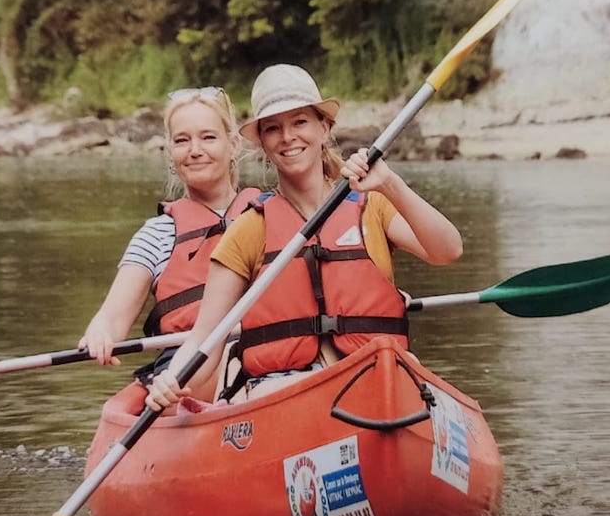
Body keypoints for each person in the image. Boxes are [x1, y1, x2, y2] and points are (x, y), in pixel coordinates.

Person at [144, 64, 462, 411]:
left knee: (404, 374)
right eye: (273, 128)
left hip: (375, 379)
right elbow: (204, 338)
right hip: (287, 393)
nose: (288, 137)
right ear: (263, 142)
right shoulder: (250, 229)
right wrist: (172, 379)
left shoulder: (373, 205)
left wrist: (391, 184)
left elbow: (447, 251)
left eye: (300, 122)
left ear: (324, 127)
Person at [79, 86, 260, 402]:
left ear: (233, 145)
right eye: (182, 140)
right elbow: (112, 317)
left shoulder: (270, 214)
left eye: (208, 137)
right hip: (185, 371)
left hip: (265, 354)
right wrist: (100, 333)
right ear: (170, 154)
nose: (194, 150)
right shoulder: (158, 234)